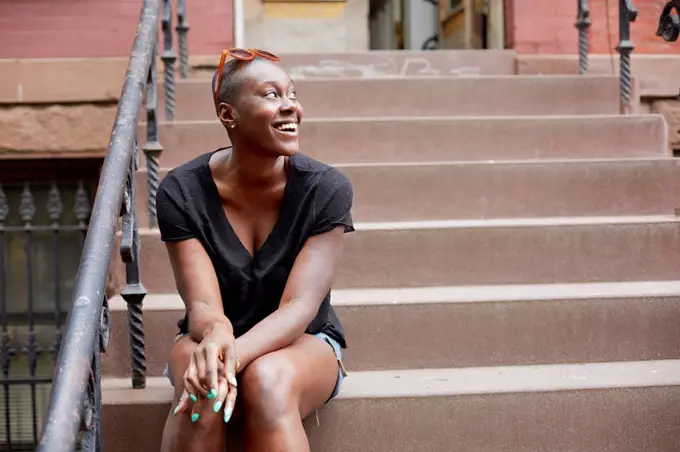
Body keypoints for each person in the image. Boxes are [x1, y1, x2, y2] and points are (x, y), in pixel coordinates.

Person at [155, 48, 354, 452]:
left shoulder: (326, 189)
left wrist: (233, 356)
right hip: (207, 337)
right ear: (229, 115)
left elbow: (300, 307)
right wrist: (218, 336)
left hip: (304, 342)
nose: (290, 108)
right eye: (270, 95)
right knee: (204, 390)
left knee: (268, 381)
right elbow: (202, 305)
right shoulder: (181, 191)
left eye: (292, 94)